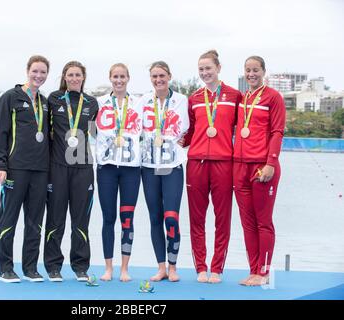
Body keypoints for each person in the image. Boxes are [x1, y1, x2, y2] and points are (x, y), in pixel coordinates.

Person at [182, 50, 242, 284]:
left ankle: (216, 268)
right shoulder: (194, 98)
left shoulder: (235, 95)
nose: (205, 73)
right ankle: (200, 267)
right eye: (201, 69)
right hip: (196, 162)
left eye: (208, 68)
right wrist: (173, 140)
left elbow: (246, 126)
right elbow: (190, 131)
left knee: (222, 218)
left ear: (218, 68)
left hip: (224, 163)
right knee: (196, 219)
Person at [0, 55, 50, 283]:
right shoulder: (11, 97)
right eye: (35, 71)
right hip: (15, 169)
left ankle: (30, 268)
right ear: (27, 71)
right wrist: (1, 165)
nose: (39, 76)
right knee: (8, 219)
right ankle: (5, 268)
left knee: (35, 222)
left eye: (43, 72)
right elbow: (0, 134)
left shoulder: (44, 102)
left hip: (40, 170)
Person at [44, 61, 99, 282]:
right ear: (64, 77)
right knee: (55, 219)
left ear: (83, 78)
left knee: (80, 221)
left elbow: (95, 136)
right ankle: (53, 266)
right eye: (71, 75)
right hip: (57, 168)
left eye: (78, 75)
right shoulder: (53, 99)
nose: (74, 78)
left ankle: (80, 266)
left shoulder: (92, 103)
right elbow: (45, 133)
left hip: (83, 169)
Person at [233, 56, 286, 286]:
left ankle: (264, 272)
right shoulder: (244, 98)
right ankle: (253, 270)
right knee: (247, 223)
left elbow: (277, 132)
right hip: (240, 167)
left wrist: (271, 163)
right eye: (248, 70)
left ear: (263, 71)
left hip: (262, 168)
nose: (251, 74)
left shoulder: (273, 97)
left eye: (255, 70)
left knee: (263, 222)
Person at [139, 61, 189, 282]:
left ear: (169, 76)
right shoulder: (143, 101)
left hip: (171, 166)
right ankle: (161, 267)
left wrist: (179, 145)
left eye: (162, 75)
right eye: (154, 76)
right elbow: (135, 130)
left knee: (171, 217)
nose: (158, 80)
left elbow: (187, 130)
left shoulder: (180, 100)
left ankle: (174, 266)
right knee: (155, 218)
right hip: (148, 166)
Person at [95, 63, 142, 282]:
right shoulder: (100, 102)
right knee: (108, 218)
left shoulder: (138, 103)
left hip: (131, 169)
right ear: (110, 78)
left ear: (128, 78)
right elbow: (90, 131)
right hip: (106, 168)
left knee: (127, 219)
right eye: (115, 76)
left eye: (123, 76)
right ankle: (108, 268)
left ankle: (124, 268)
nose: (119, 80)